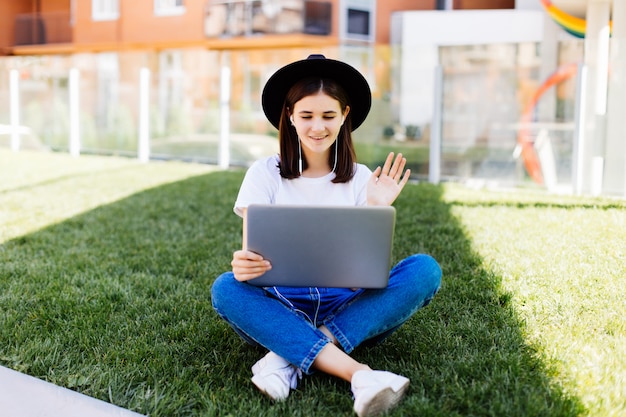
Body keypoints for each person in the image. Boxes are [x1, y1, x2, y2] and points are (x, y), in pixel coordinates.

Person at [211, 54, 441, 417]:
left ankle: (285, 355)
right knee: (226, 287)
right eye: (306, 116)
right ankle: (359, 375)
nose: (318, 127)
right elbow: (251, 258)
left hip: (346, 304)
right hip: (281, 301)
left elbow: (367, 265)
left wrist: (376, 205)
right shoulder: (264, 173)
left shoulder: (363, 178)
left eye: (328, 116)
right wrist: (244, 267)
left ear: (345, 116)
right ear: (289, 116)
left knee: (425, 270)